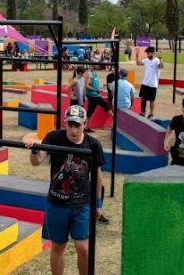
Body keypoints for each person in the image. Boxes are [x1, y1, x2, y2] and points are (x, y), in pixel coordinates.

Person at [23, 105, 105, 275]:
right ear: (64, 123)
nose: (73, 130)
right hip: (57, 202)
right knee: (58, 246)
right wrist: (34, 150)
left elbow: (97, 175)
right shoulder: (54, 137)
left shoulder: (93, 145)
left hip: (81, 204)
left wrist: (97, 204)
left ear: (85, 124)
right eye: (70, 124)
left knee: (83, 248)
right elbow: (36, 161)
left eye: (78, 125)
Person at [83, 66, 113, 133]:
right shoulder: (88, 74)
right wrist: (95, 89)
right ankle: (114, 118)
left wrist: (99, 89)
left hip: (95, 94)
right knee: (105, 104)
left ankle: (85, 127)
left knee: (90, 110)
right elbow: (86, 85)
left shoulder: (95, 73)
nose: (98, 66)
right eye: (97, 65)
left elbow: (95, 84)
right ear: (93, 66)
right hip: (92, 95)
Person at [136, 46, 163, 119]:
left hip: (152, 84)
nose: (148, 54)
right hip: (145, 83)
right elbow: (138, 63)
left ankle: (151, 113)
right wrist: (137, 55)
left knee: (151, 100)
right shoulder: (146, 60)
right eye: (147, 53)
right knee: (143, 99)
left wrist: (161, 58)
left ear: (153, 53)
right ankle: (142, 112)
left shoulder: (156, 60)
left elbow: (161, 66)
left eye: (149, 53)